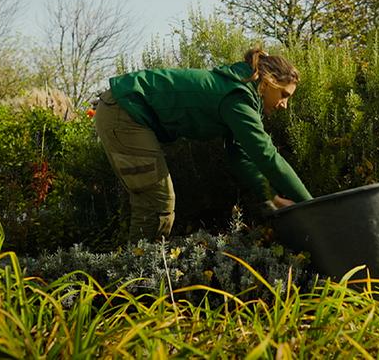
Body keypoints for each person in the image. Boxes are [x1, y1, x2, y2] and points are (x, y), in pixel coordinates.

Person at [93, 48, 312, 242]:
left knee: (154, 202)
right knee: (157, 205)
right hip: (124, 111)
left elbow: (240, 156)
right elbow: (267, 156)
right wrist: (312, 206)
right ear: (268, 80)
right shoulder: (237, 97)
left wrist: (271, 197)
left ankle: (137, 274)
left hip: (123, 110)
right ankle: (136, 280)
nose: (284, 105)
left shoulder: (240, 94)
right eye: (284, 94)